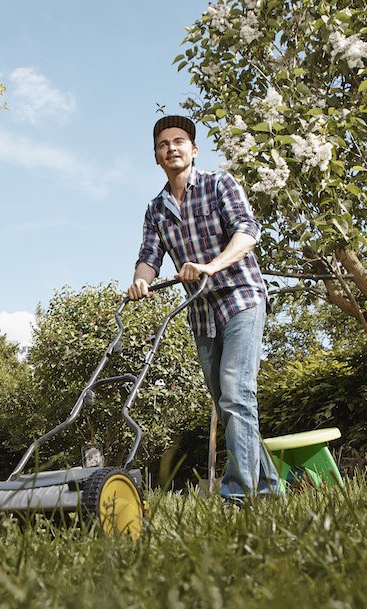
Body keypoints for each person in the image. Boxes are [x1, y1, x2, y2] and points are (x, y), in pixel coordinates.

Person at [128, 115, 280, 505]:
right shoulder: (155, 209)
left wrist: (210, 265)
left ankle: (237, 497)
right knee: (228, 405)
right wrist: (142, 280)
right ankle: (269, 489)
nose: (171, 148)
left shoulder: (218, 184)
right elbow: (149, 257)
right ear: (157, 157)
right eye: (163, 144)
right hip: (202, 312)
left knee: (236, 391)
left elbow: (247, 231)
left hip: (241, 297)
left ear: (193, 149)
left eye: (179, 141)